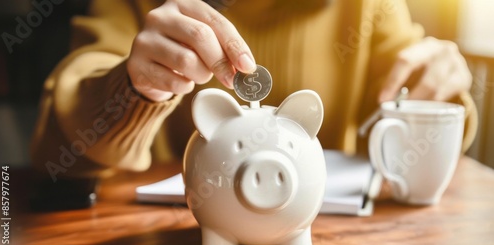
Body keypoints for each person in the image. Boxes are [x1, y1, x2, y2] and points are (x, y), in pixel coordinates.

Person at [30, 0, 477, 186]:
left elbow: (415, 79)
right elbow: (61, 145)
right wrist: (134, 87)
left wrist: (441, 97)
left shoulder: (367, 7)